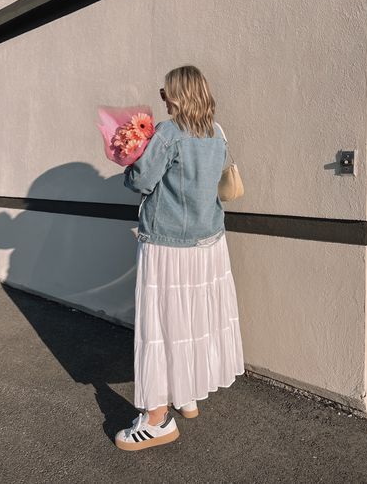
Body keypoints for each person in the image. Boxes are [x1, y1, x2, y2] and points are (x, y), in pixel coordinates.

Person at [115, 65, 245, 451]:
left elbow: (141, 181)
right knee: (193, 316)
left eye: (164, 91)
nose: (162, 98)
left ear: (177, 95)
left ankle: (156, 420)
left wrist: (129, 161)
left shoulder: (169, 134)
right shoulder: (216, 132)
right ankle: (186, 393)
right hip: (209, 243)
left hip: (169, 244)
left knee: (160, 322)